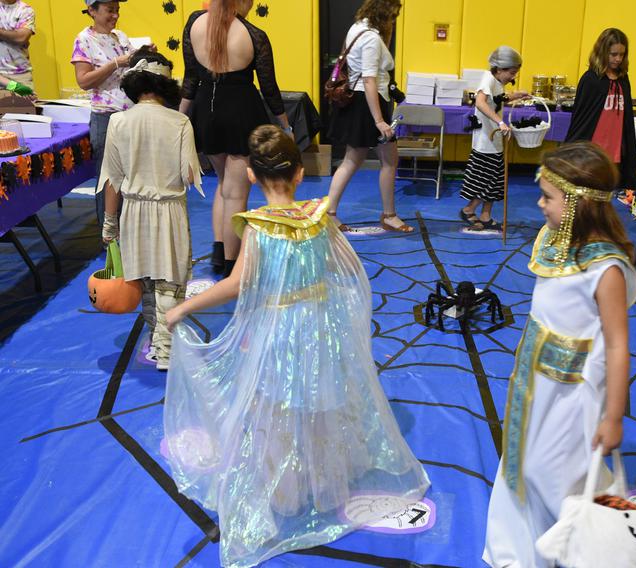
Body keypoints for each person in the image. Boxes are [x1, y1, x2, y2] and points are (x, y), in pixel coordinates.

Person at [163, 125, 430, 568]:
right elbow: (340, 272)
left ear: (250, 175)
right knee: (321, 401)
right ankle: (327, 484)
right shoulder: (319, 217)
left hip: (280, 329)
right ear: (301, 173)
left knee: (282, 409)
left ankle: (289, 496)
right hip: (321, 325)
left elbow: (235, 284)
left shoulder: (258, 228)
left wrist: (182, 308)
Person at [483, 142, 636, 567]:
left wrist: (613, 416)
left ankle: (581, 549)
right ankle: (523, 549)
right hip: (536, 383)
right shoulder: (556, 242)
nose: (539, 204)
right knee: (520, 461)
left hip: (574, 394)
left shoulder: (605, 268)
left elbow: (618, 344)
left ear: (577, 204)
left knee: (552, 473)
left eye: (548, 197)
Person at [99, 48, 201, 372]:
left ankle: (157, 343)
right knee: (170, 278)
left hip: (133, 211)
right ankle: (168, 349)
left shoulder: (118, 121)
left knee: (143, 278)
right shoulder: (180, 122)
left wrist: (109, 223)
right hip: (169, 209)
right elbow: (190, 175)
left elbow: (112, 181)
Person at [180, 0, 290, 276]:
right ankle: (232, 266)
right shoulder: (254, 35)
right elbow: (269, 89)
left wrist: (180, 120)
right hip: (242, 111)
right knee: (237, 193)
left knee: (223, 185)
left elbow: (190, 79)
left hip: (207, 110)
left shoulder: (194, 23)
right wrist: (285, 126)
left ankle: (219, 252)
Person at [326, 0, 413, 233]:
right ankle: (387, 215)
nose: (394, 21)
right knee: (380, 160)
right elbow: (369, 79)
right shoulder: (372, 38)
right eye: (393, 16)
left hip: (360, 102)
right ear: (386, 14)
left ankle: (334, 212)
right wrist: (379, 120)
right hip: (369, 105)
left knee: (358, 160)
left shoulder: (357, 27)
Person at [72, 0, 137, 227]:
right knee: (108, 178)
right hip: (106, 117)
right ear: (92, 10)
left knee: (131, 176)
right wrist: (115, 63)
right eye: (110, 10)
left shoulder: (120, 36)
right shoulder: (84, 40)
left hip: (130, 115)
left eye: (117, 10)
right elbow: (84, 81)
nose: (115, 16)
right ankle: (109, 237)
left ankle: (128, 230)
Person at [459, 46, 528, 232]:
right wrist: (500, 122)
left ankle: (485, 215)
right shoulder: (487, 79)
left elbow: (497, 99)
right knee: (485, 178)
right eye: (512, 73)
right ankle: (469, 209)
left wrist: (515, 95)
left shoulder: (497, 81)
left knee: (496, 179)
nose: (512, 77)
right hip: (485, 140)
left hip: (494, 139)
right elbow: (481, 102)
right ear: (499, 69)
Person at [565, 28, 636, 192]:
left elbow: (626, 122)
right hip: (592, 151)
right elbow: (581, 120)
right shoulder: (590, 80)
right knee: (585, 193)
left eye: (622, 54)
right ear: (602, 52)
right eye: (613, 54)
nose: (618, 59)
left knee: (605, 194)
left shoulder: (623, 79)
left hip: (614, 151)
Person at [0, 0, 35, 91]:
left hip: (20, 75)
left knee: (25, 102)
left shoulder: (25, 10)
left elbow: (21, 38)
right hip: (3, 77)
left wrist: (17, 88)